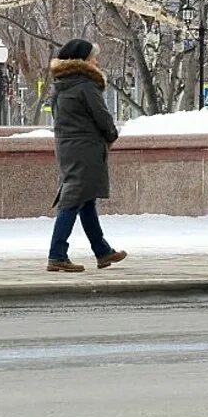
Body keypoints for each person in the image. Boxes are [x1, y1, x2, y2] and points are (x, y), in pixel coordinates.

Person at [46, 39, 127, 273]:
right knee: (72, 200)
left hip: (68, 148)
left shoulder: (61, 85)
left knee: (85, 199)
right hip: (86, 149)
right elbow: (102, 117)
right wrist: (111, 134)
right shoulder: (85, 85)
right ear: (82, 60)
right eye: (93, 57)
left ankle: (102, 251)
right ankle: (57, 254)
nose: (96, 61)